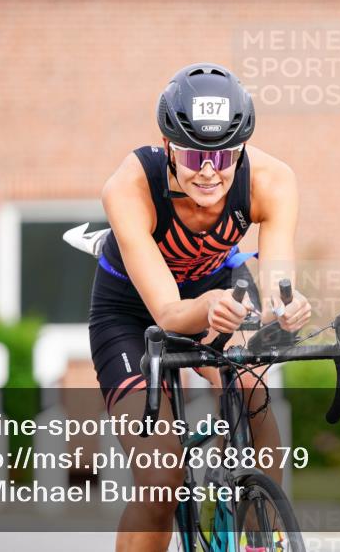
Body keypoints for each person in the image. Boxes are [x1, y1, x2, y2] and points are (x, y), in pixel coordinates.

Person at [88, 62, 311, 552]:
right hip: (131, 315)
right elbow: (168, 314)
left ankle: (259, 528)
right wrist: (207, 305)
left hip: (216, 293)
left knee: (252, 385)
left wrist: (285, 309)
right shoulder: (129, 187)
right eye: (192, 156)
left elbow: (276, 284)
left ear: (242, 149)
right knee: (162, 474)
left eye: (224, 155)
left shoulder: (271, 181)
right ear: (168, 146)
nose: (209, 171)